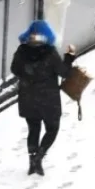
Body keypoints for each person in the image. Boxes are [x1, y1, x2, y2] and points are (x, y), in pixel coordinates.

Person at [11, 20, 76, 177]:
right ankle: (39, 156)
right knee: (52, 129)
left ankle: (32, 159)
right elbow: (64, 73)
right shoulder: (50, 52)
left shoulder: (22, 50)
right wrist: (69, 57)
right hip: (48, 99)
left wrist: (27, 75)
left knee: (33, 129)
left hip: (28, 97)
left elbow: (14, 69)